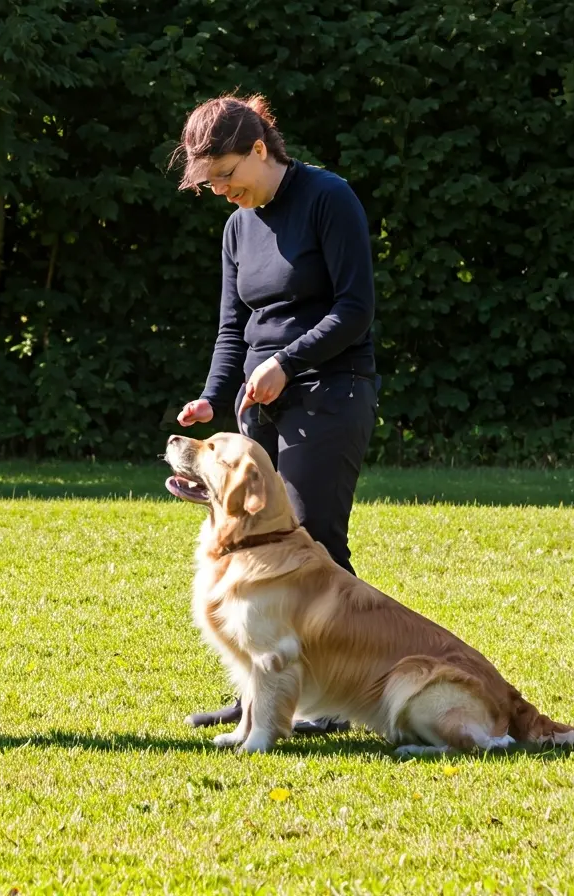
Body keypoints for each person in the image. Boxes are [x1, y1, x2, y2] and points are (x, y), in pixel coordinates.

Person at [172, 94, 380, 735]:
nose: (222, 191)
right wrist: (212, 395)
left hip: (329, 389)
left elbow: (354, 309)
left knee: (312, 541)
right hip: (258, 397)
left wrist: (287, 361)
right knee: (249, 548)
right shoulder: (238, 227)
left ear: (260, 149)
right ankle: (258, 697)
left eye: (227, 175)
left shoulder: (328, 198)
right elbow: (234, 327)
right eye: (210, 184)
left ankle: (328, 701)